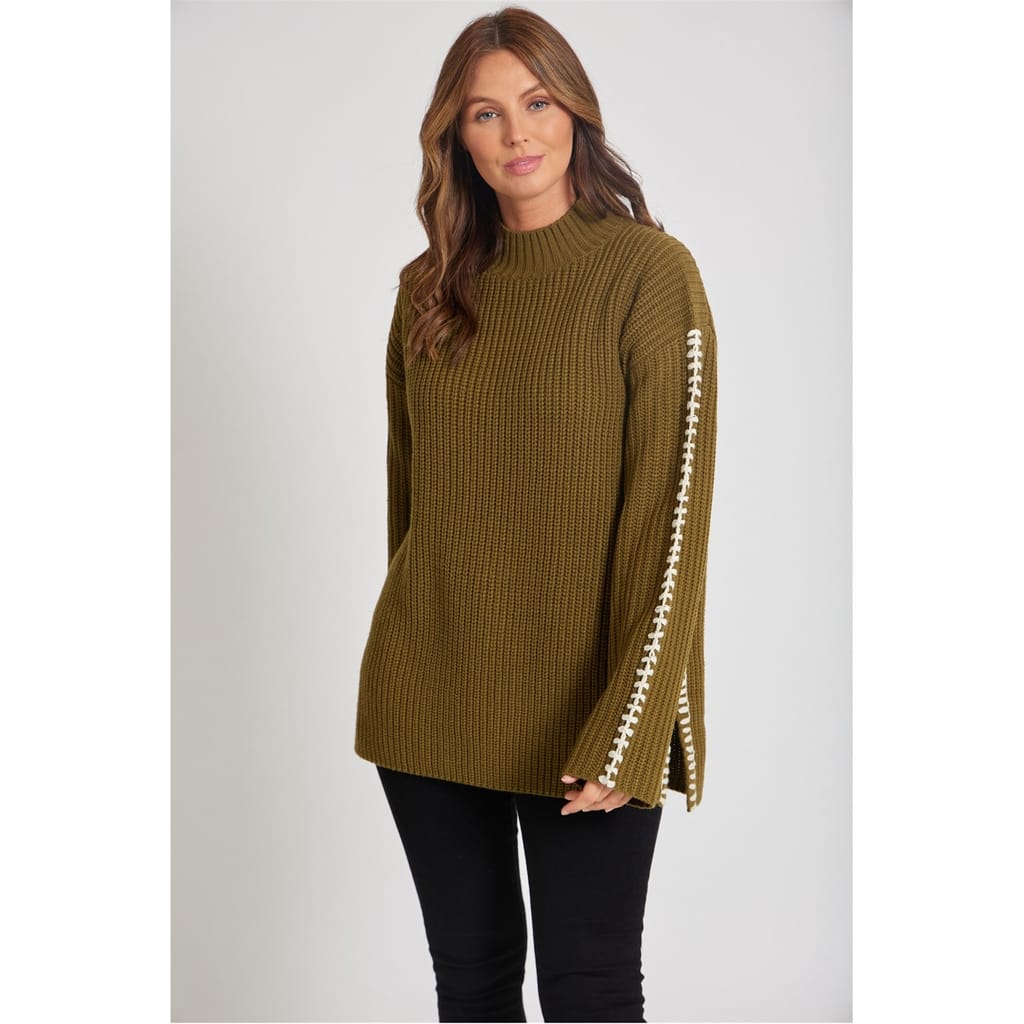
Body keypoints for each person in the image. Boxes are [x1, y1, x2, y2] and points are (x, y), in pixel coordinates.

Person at [354, 6, 718, 1022]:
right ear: (456, 138)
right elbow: (413, 503)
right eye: (485, 113)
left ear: (574, 113)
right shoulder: (427, 290)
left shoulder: (649, 276)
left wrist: (632, 726)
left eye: (537, 102)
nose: (517, 133)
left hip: (586, 712)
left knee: (590, 994)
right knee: (471, 990)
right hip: (431, 698)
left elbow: (673, 520)